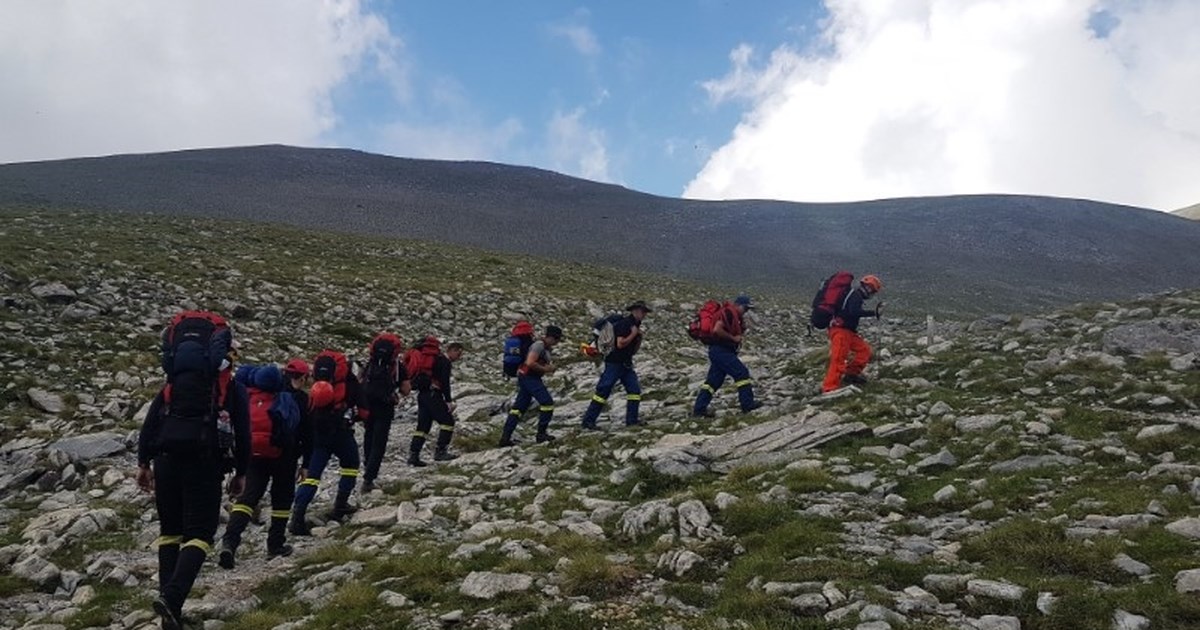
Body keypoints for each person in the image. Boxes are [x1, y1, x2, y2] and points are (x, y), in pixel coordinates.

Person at [136, 312, 250, 630]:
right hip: (205, 461)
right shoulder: (230, 388)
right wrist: (241, 473)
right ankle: (172, 599)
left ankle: (168, 613)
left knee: (170, 532)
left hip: (166, 460)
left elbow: (151, 423)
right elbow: (244, 433)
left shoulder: (172, 384)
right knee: (199, 534)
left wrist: (143, 464)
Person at [217, 363, 309, 569]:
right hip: (284, 455)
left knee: (247, 499)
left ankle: (230, 542)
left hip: (254, 454)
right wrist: (306, 463)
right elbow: (305, 431)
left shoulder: (249, 398)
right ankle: (275, 544)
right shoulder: (293, 399)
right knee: (282, 500)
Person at [290, 350, 364, 535]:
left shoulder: (316, 385)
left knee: (312, 475)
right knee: (351, 464)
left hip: (318, 433)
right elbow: (364, 411)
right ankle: (341, 504)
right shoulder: (348, 381)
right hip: (341, 432)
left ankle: (297, 515)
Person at [582, 301, 651, 429]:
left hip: (626, 363)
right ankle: (588, 421)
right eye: (643, 311)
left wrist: (639, 338)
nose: (644, 314)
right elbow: (620, 343)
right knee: (603, 390)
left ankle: (632, 421)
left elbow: (633, 350)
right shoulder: (626, 324)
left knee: (634, 391)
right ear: (634, 311)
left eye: (645, 312)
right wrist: (633, 334)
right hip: (614, 363)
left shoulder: (635, 325)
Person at [692, 295, 762, 417]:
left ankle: (699, 410)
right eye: (745, 308)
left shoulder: (733, 315)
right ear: (738, 305)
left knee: (713, 382)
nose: (746, 311)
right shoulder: (729, 313)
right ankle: (747, 405)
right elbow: (717, 329)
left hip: (718, 350)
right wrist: (733, 338)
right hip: (721, 350)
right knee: (741, 373)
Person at [360, 333, 410, 492]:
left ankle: (367, 465)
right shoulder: (397, 366)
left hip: (367, 404)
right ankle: (369, 479)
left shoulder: (371, 362)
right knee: (379, 442)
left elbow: (361, 380)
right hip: (385, 405)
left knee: (369, 434)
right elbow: (406, 390)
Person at [500, 325, 563, 446]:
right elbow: (530, 362)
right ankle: (541, 434)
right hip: (529, 377)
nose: (557, 342)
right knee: (547, 402)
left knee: (518, 409)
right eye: (557, 339)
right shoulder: (539, 345)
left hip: (527, 377)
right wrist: (546, 369)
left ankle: (505, 438)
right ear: (551, 337)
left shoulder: (544, 347)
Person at [822, 275, 884, 393]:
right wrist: (873, 313)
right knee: (838, 359)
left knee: (864, 351)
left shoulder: (854, 295)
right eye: (872, 291)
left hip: (848, 332)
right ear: (868, 288)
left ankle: (851, 374)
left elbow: (852, 312)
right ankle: (829, 387)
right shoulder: (855, 295)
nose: (871, 294)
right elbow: (854, 312)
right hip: (841, 331)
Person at [409, 341, 465, 466]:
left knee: (423, 426)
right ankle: (440, 451)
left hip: (423, 394)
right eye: (458, 354)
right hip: (433, 395)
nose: (459, 357)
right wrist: (448, 401)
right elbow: (445, 383)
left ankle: (413, 455)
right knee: (448, 422)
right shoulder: (445, 362)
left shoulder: (435, 359)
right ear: (453, 350)